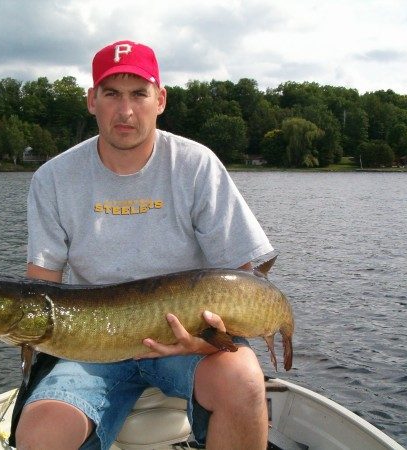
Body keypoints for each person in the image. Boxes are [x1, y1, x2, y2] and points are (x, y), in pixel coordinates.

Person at [16, 40, 274, 450]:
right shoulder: (53, 178)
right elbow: (40, 288)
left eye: (139, 93)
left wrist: (206, 340)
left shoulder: (196, 165)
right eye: (111, 94)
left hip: (187, 340)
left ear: (160, 100)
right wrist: (1, 320)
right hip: (92, 347)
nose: (125, 111)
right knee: (40, 433)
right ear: (92, 100)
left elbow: (244, 282)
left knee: (243, 380)